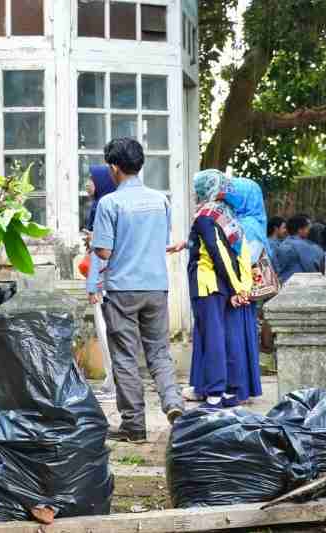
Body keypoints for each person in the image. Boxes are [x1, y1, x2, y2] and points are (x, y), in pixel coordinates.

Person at [89, 137, 184, 443]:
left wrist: (92, 242)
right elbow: (162, 241)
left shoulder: (110, 203)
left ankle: (134, 425)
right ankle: (173, 403)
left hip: (122, 290)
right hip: (157, 286)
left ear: (114, 167)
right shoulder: (161, 200)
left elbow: (103, 252)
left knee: (125, 358)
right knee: (159, 352)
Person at [186, 170, 253, 409]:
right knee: (223, 336)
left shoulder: (204, 216)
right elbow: (240, 252)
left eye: (198, 187)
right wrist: (242, 286)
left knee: (212, 338)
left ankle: (214, 393)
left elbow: (218, 253)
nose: (195, 192)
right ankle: (226, 391)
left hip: (208, 285)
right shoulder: (227, 215)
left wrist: (237, 288)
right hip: (224, 285)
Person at [218, 176, 266, 403]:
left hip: (240, 290)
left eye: (236, 193)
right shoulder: (244, 220)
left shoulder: (250, 225)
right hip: (238, 288)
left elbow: (251, 257)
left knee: (236, 337)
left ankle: (238, 388)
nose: (231, 196)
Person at [84, 164, 117, 402]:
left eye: (91, 179)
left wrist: (93, 284)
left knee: (107, 332)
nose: (87, 184)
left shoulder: (103, 209)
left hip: (105, 279)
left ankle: (114, 385)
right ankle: (111, 382)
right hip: (110, 277)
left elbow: (100, 251)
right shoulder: (103, 206)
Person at [275, 214, 323, 283]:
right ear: (300, 230)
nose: (309, 231)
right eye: (307, 228)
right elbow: (311, 268)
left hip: (283, 281)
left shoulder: (282, 244)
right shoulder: (303, 245)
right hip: (298, 283)